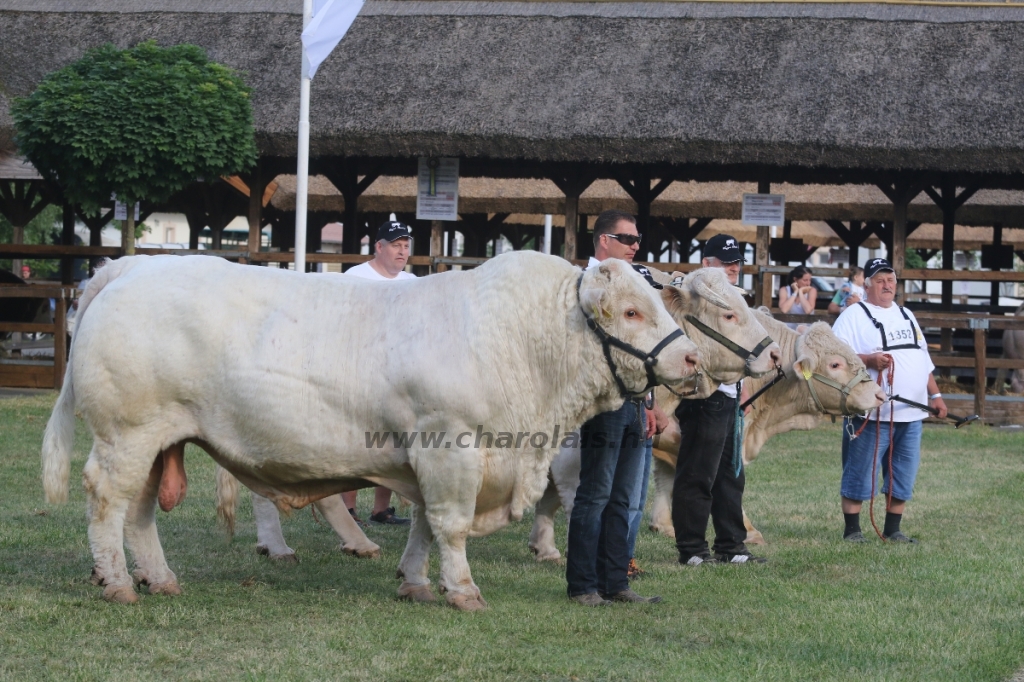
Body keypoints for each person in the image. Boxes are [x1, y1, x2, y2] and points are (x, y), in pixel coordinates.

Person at [565, 209, 663, 606]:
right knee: (596, 494)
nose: (636, 246)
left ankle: (616, 582)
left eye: (637, 240)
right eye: (628, 239)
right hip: (603, 401)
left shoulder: (635, 284)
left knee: (623, 496)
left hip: (636, 402)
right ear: (604, 240)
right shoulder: (580, 286)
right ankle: (583, 586)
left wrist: (650, 402)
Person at [832, 257, 947, 544]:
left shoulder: (907, 314)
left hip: (912, 413)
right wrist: (869, 360)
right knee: (860, 469)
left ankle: (893, 529)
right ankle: (852, 530)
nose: (887, 285)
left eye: (891, 280)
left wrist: (936, 395)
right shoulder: (852, 315)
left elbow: (924, 359)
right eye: (880, 280)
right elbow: (833, 358)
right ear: (867, 284)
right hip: (872, 412)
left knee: (903, 471)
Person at [672, 233, 766, 566]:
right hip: (703, 393)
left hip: (730, 393)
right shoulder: (694, 297)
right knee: (698, 471)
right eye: (725, 262)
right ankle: (692, 549)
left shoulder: (735, 298)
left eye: (736, 262)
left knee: (730, 474)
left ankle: (731, 546)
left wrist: (746, 389)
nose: (733, 268)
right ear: (706, 263)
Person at [340, 220, 416, 526]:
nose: (402, 252)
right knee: (358, 441)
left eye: (406, 246)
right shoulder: (355, 277)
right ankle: (347, 509)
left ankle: (381, 509)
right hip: (361, 369)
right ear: (379, 247)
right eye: (396, 245)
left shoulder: (413, 282)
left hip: (399, 373)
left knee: (393, 442)